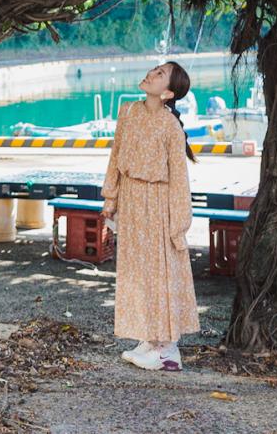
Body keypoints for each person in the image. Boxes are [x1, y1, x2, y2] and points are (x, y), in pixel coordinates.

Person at [100, 60, 200, 371]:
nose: (151, 74)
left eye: (160, 75)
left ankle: (167, 348)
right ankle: (149, 338)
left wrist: (179, 222)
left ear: (168, 92)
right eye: (154, 69)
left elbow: (180, 178)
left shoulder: (170, 126)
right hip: (131, 198)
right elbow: (116, 155)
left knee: (160, 271)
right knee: (136, 270)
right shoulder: (128, 112)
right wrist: (111, 197)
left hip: (158, 202)